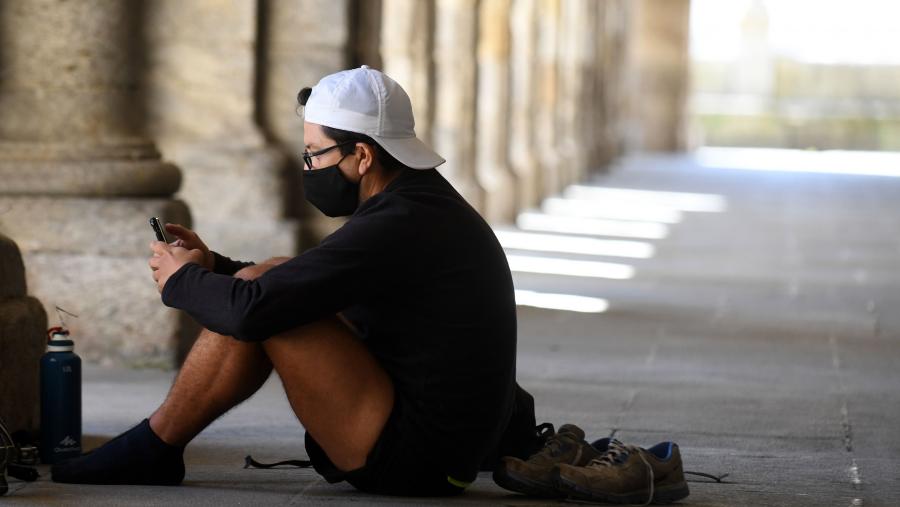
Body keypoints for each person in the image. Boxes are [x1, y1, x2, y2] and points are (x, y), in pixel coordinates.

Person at [50, 65, 540, 496]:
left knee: (265, 303)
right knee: (275, 275)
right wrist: (211, 264)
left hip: (417, 463)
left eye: (314, 154)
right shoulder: (418, 204)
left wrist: (182, 282)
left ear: (363, 156)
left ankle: (153, 446)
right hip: (447, 452)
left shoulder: (399, 222)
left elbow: (252, 311)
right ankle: (155, 446)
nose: (308, 168)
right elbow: (303, 282)